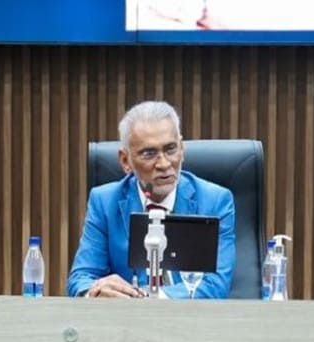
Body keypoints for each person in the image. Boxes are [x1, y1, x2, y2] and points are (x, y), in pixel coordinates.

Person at [67, 100, 236, 298]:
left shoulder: (215, 201)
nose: (164, 164)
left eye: (171, 149)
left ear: (182, 149)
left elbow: (216, 285)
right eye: (149, 154)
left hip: (190, 316)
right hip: (124, 315)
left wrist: (148, 298)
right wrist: (95, 291)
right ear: (125, 161)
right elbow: (81, 279)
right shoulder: (104, 202)